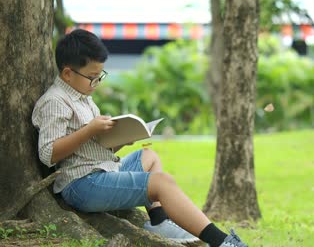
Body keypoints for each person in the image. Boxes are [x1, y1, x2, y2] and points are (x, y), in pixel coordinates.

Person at [32, 29, 248, 247]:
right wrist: (90, 130)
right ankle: (222, 242)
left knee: (149, 157)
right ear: (68, 73)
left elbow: (89, 147)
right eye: (92, 77)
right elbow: (48, 154)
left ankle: (159, 221)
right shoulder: (55, 102)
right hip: (81, 184)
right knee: (162, 183)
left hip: (100, 169)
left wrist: (120, 139)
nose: (96, 83)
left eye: (100, 76)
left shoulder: (82, 97)